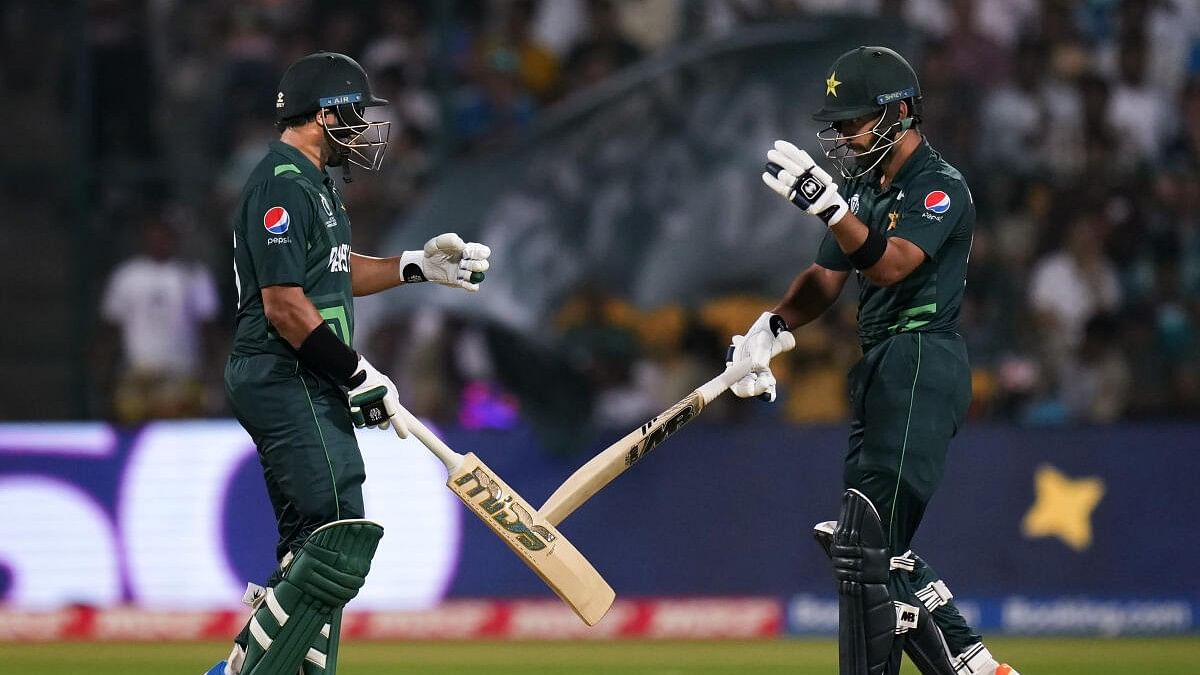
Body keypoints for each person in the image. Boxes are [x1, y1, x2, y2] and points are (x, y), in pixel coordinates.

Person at [730, 46, 1019, 675]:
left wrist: (832, 211)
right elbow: (826, 278)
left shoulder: (939, 186)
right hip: (883, 367)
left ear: (903, 112)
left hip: (921, 359)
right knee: (869, 551)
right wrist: (772, 324)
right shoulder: (865, 187)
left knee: (865, 552)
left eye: (853, 120)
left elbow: (891, 265)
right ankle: (976, 667)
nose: (841, 135)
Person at [205, 52, 491, 675]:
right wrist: (355, 371)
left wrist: (415, 266)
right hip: (284, 371)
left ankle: (283, 662)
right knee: (338, 529)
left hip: (302, 374)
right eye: (354, 114)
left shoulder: (315, 184)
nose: (363, 128)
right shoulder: (281, 183)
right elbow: (284, 306)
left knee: (311, 544)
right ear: (321, 114)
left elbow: (335, 272)